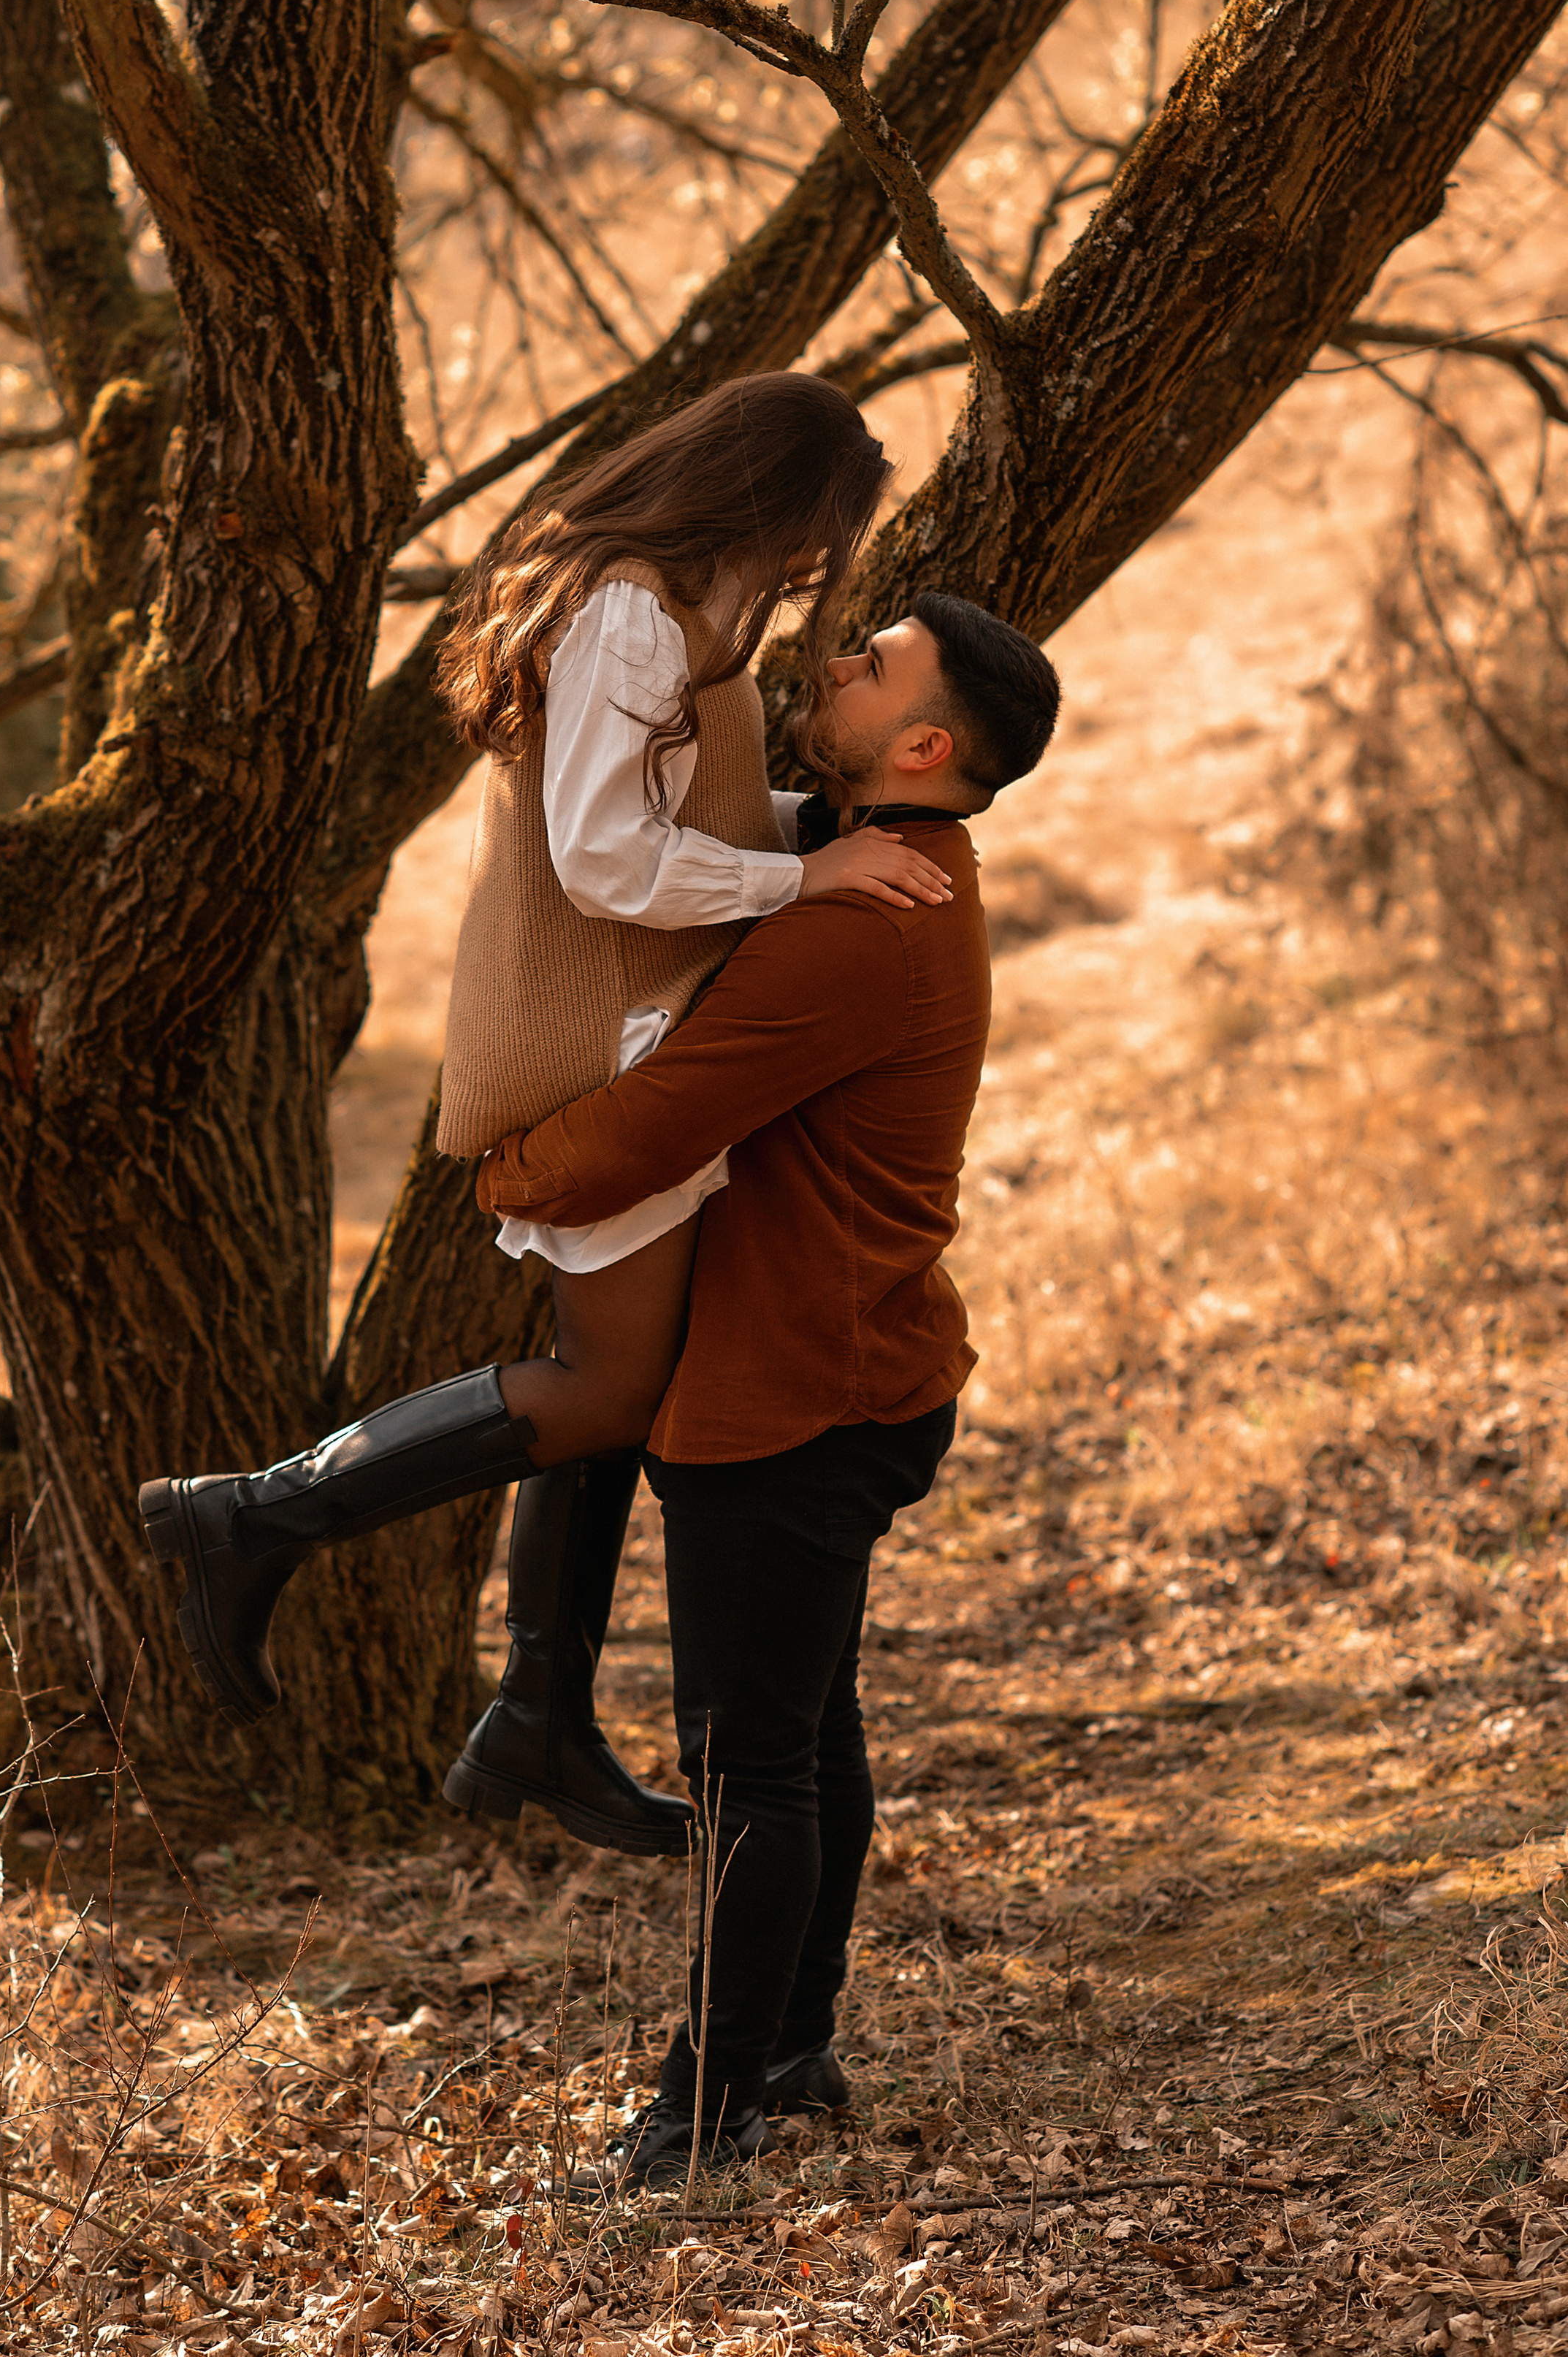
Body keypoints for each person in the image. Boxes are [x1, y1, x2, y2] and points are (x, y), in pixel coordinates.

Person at [138, 374, 951, 1852]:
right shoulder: (629, 611)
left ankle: (538, 1711)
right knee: (609, 1391)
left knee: (612, 1384)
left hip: (626, 1017)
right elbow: (604, 860)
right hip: (585, 1033)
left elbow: (679, 816)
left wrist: (831, 836)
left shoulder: (680, 602)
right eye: (817, 536)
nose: (813, 573)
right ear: (762, 494)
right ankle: (252, 1517)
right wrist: (805, 877)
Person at [474, 592, 1061, 2186]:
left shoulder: (858, 919)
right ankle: (788, 2043)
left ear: (923, 748)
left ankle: (708, 2100)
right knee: (802, 1736)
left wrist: (498, 1162)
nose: (831, 666)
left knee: (756, 1757)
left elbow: (668, 1117)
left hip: (796, 1392)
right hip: (839, 1367)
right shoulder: (886, 870)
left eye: (868, 668)